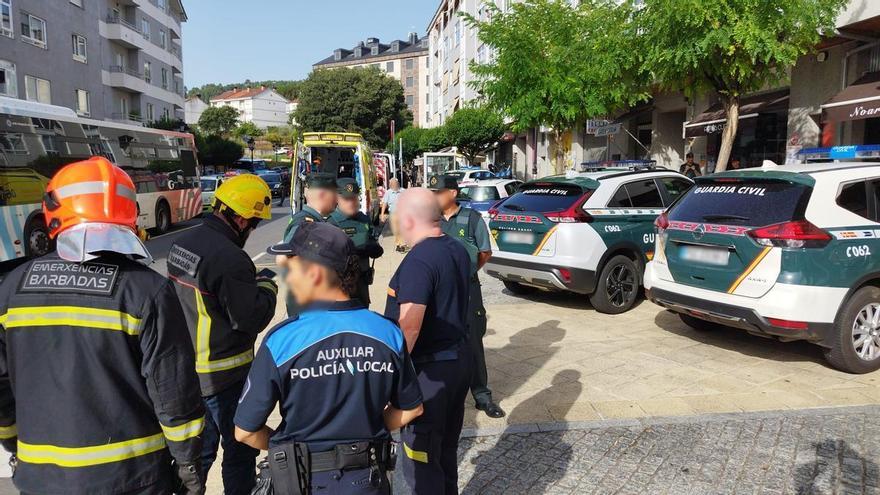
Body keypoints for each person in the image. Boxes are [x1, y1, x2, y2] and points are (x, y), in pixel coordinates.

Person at [0, 157, 205, 494]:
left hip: (43, 479)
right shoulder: (146, 290)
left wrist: (13, 442)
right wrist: (188, 465)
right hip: (132, 478)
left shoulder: (11, 288)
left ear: (52, 212)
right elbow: (174, 394)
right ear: (130, 214)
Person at [234, 222, 424, 494]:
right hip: (368, 480)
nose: (287, 278)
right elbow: (412, 408)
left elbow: (245, 432)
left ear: (316, 274)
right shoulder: (387, 332)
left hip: (305, 482)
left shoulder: (282, 341)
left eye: (292, 268)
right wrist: (365, 434)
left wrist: (288, 449)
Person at [167, 173, 279, 495]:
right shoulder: (231, 259)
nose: (254, 228)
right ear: (242, 219)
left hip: (188, 375)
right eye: (255, 222)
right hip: (225, 376)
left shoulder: (182, 243)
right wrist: (266, 286)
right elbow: (249, 318)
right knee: (239, 455)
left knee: (196, 459)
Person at [384, 188, 473, 494]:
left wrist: (389, 378)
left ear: (408, 219)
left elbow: (409, 325)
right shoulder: (456, 248)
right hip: (458, 363)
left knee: (422, 459)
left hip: (429, 373)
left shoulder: (419, 261)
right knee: (446, 450)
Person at [430, 174, 505, 419]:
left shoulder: (471, 218)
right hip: (440, 291)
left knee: (473, 342)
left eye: (438, 193)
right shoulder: (432, 220)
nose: (435, 197)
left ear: (452, 193)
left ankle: (482, 396)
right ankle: (445, 395)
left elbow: (485, 252)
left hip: (467, 289)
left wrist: (468, 271)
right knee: (441, 342)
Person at [282, 172, 338, 316]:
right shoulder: (306, 224)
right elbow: (289, 259)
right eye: (335, 194)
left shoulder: (317, 221)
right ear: (322, 195)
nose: (337, 199)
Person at [330, 178, 384, 307]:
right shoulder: (330, 222)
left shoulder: (363, 219)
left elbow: (373, 240)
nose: (351, 203)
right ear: (337, 199)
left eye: (354, 198)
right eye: (346, 199)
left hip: (362, 285)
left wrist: (375, 248)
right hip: (339, 288)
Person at [380, 178, 404, 252]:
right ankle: (398, 243)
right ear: (390, 185)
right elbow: (385, 203)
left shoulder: (403, 191)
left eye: (395, 184)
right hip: (393, 214)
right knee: (396, 230)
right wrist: (382, 214)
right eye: (392, 184)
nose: (394, 185)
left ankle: (401, 244)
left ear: (398, 184)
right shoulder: (388, 192)